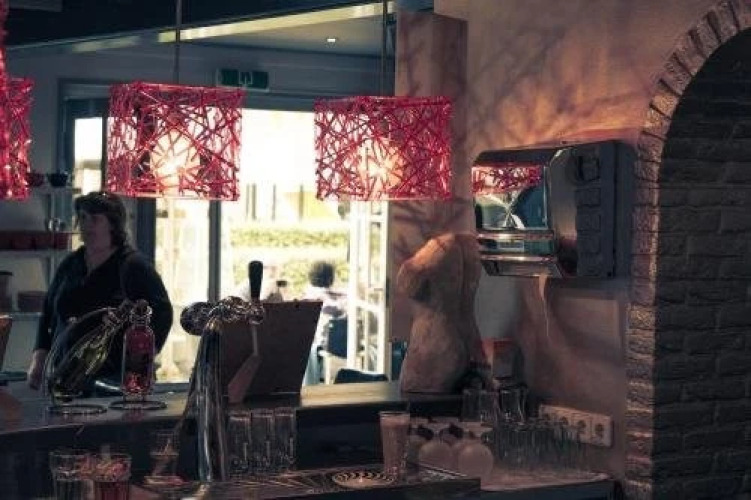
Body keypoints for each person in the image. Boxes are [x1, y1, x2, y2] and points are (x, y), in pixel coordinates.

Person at [26, 191, 173, 392]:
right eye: (82, 217)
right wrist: (39, 358)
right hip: (64, 373)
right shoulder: (71, 263)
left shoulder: (132, 266)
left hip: (110, 380)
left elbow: (162, 313)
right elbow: (48, 314)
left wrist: (141, 360)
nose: (86, 225)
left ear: (112, 224)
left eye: (94, 219)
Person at [302, 260, 347, 385]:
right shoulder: (341, 298)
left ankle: (310, 382)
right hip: (344, 342)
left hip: (325, 343)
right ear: (331, 278)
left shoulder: (309, 297)